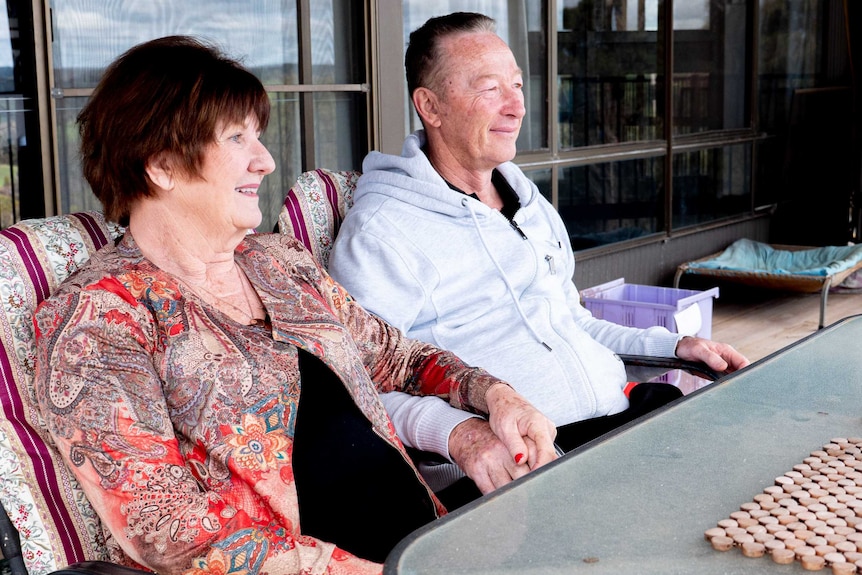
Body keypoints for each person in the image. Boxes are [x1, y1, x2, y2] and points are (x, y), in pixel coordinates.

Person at [31, 35, 558, 575]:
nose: (264, 160)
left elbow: (399, 358)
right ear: (161, 165)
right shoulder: (101, 321)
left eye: (257, 136)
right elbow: (171, 533)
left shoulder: (280, 262)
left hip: (431, 540)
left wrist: (496, 396)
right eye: (237, 138)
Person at [328, 12, 750, 506]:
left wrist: (673, 347)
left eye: (516, 85)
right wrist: (462, 436)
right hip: (525, 468)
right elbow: (358, 387)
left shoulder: (529, 205)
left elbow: (570, 322)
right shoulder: (384, 231)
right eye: (490, 89)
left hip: (619, 418)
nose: (516, 107)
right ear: (431, 106)